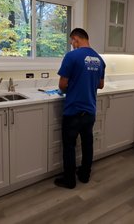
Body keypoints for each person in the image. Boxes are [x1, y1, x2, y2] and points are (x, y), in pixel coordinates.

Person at [55, 28, 105, 189]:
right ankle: (84, 175)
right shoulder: (99, 59)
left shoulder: (72, 56)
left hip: (73, 110)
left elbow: (62, 85)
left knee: (69, 146)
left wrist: (73, 86)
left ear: (76, 38)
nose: (72, 45)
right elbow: (101, 85)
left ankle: (69, 180)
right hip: (90, 110)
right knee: (87, 143)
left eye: (72, 42)